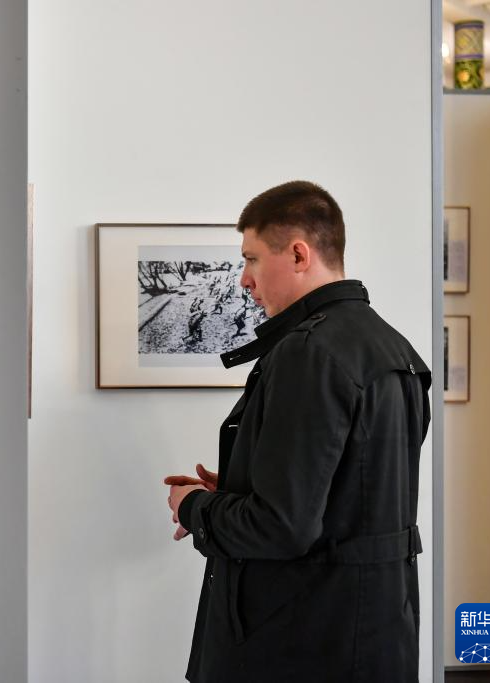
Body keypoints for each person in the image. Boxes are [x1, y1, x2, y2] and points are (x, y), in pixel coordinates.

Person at [164, 180, 431, 683]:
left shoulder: (308, 352)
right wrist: (241, 487)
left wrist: (193, 506)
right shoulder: (396, 349)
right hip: (377, 637)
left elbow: (281, 527)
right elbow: (348, 496)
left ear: (298, 254)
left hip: (302, 642)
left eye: (252, 259)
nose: (244, 279)